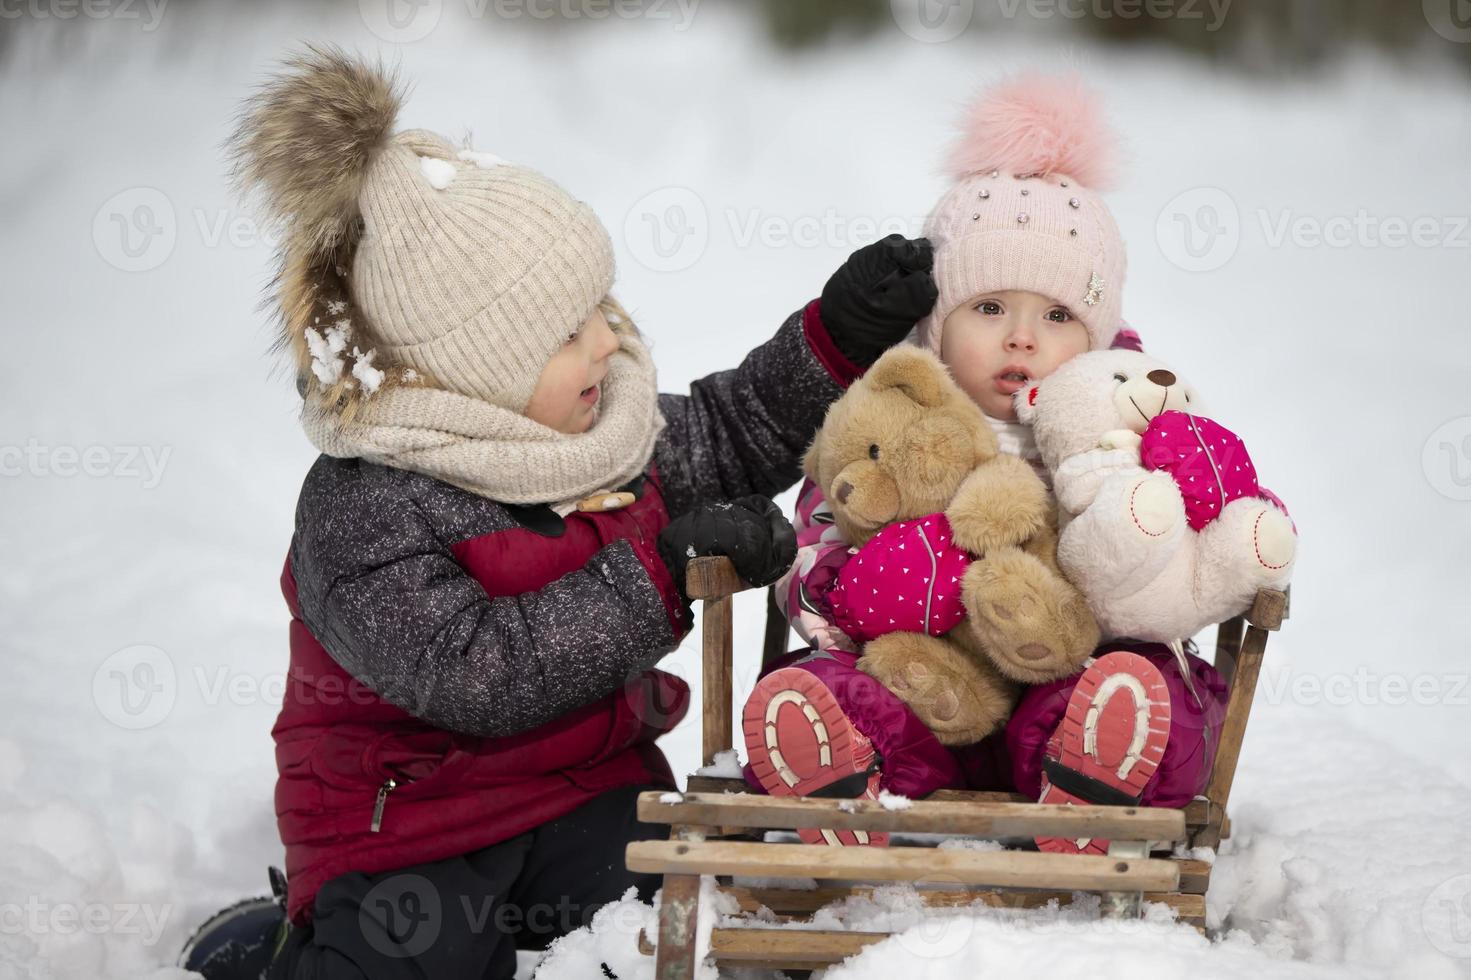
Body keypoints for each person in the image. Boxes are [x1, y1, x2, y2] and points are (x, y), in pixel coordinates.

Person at [177, 45, 935, 979]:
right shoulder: (364, 506)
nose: (605, 344)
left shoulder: (598, 434)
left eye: (597, 311)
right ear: (473, 374)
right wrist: (662, 568)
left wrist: (835, 338)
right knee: (424, 956)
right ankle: (282, 951)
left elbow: (734, 428)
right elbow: (477, 675)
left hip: (584, 794)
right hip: (410, 827)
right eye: (565, 334)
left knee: (669, 919)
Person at [743, 74, 1231, 852]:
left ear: (1097, 335)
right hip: (922, 688)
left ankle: (1088, 780)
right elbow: (816, 532)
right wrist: (843, 588)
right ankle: (838, 779)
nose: (1021, 339)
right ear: (937, 323)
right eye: (989, 307)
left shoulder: (1125, 425)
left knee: (1147, 685)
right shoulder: (891, 417)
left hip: (1064, 688)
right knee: (826, 685)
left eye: (1058, 315)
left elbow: (1186, 564)